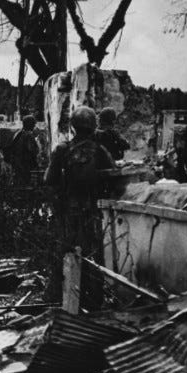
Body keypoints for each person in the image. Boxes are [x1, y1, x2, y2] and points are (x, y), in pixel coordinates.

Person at [44, 105, 116, 259]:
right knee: (93, 249)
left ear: (73, 126)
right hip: (93, 208)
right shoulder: (99, 150)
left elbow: (49, 179)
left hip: (68, 207)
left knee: (68, 249)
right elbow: (113, 175)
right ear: (93, 126)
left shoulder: (62, 149)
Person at [3, 114, 42, 186]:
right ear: (30, 124)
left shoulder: (18, 133)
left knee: (18, 182)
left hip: (16, 163)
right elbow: (33, 150)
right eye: (33, 124)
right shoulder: (28, 135)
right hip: (24, 164)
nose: (34, 126)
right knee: (25, 184)